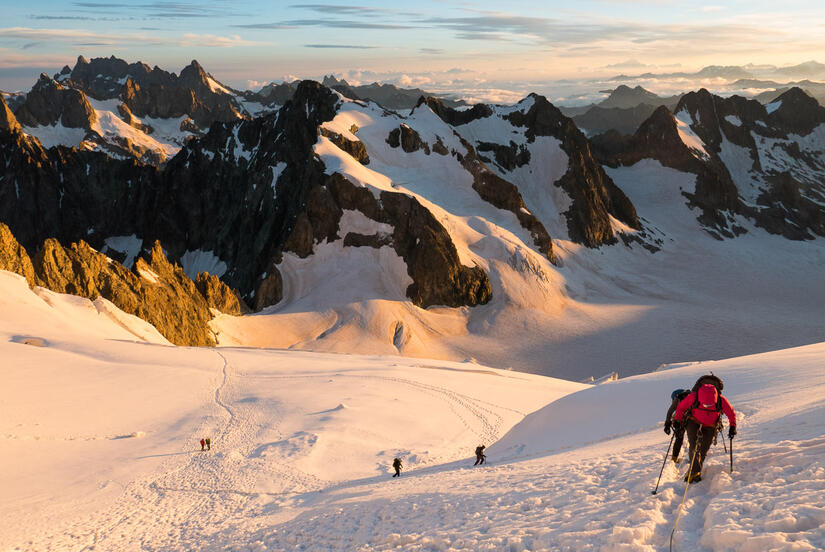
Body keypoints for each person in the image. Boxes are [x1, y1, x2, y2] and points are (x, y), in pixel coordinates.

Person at [673, 376, 736, 483]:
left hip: (711, 425)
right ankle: (695, 473)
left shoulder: (721, 400)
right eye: (705, 404)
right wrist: (677, 421)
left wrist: (732, 427)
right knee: (694, 446)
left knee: (703, 449)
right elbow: (681, 408)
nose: (707, 406)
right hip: (693, 422)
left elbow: (731, 414)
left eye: (709, 404)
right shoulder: (694, 396)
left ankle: (694, 471)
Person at [664, 389, 690, 463]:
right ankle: (693, 457)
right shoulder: (690, 396)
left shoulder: (677, 399)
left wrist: (667, 424)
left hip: (680, 420)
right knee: (692, 438)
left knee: (679, 438)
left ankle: (675, 457)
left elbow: (670, 411)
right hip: (692, 419)